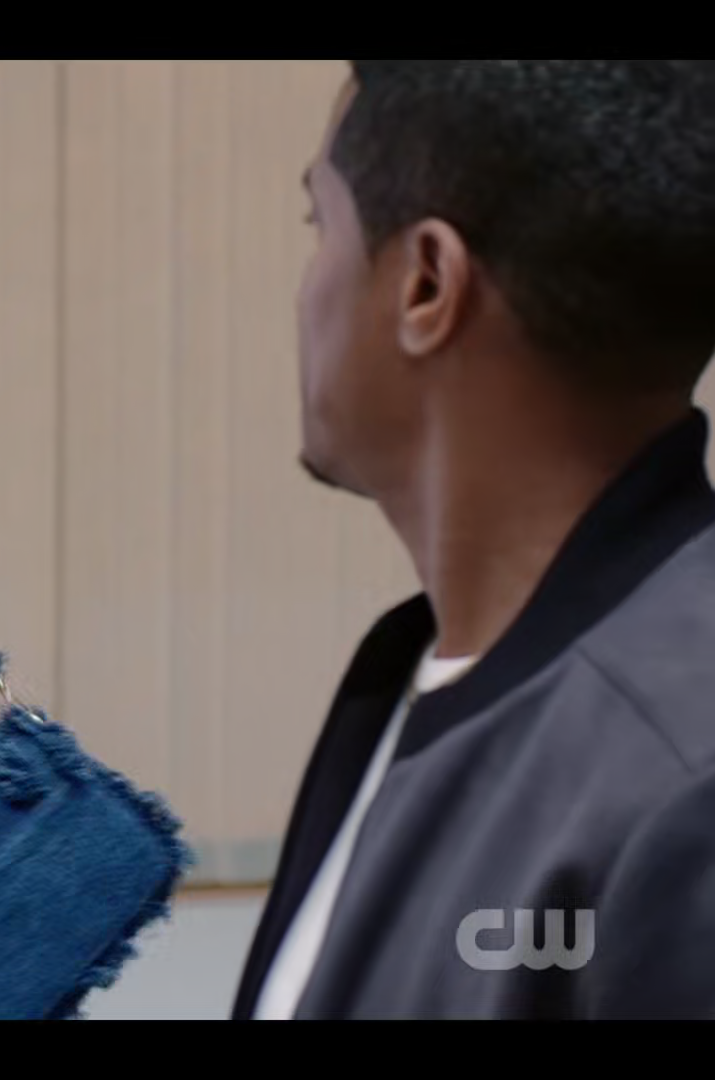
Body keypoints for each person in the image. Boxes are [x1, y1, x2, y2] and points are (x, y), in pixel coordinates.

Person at [236, 60, 715, 1021]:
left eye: (319, 226)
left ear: (427, 284)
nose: (304, 290)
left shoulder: (680, 780)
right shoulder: (411, 676)